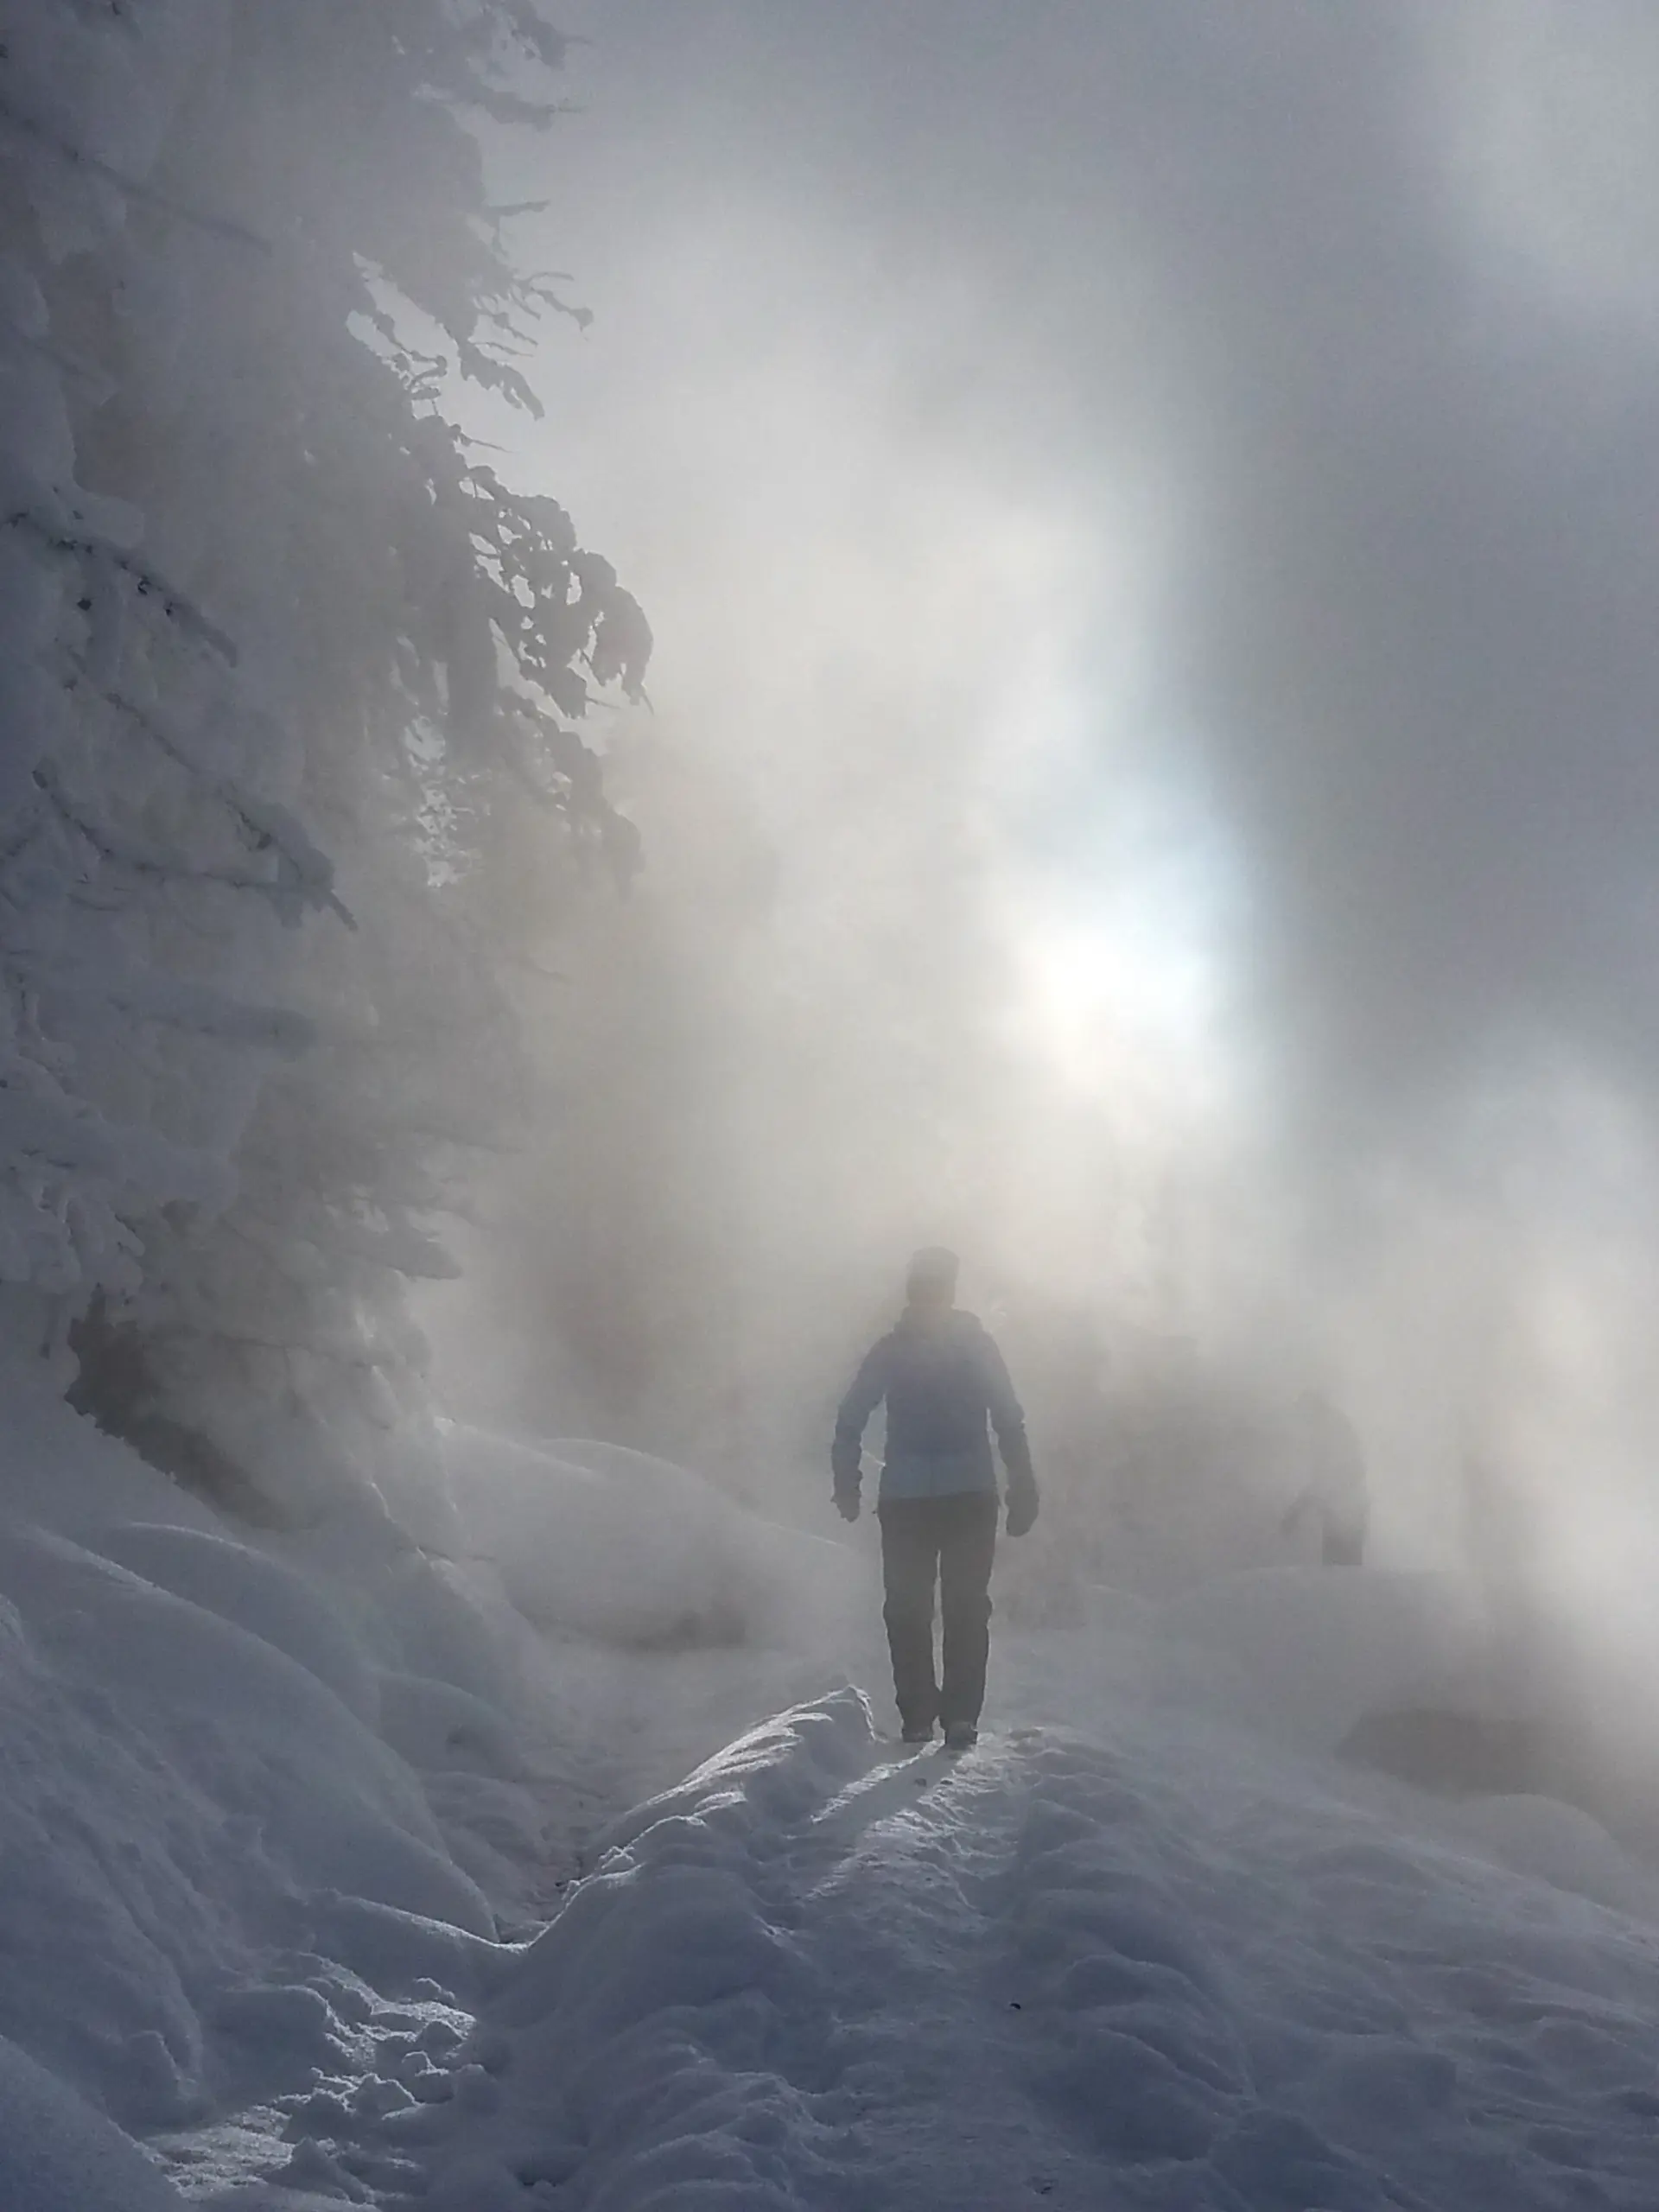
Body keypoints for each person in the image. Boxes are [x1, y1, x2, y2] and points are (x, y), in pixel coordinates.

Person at [832, 1247, 1039, 1749]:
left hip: (915, 1499)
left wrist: (848, 1481)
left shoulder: (895, 1350)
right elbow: (1008, 1416)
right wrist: (1022, 1482)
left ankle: (930, 1716)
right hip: (963, 1495)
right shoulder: (972, 1346)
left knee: (913, 1608)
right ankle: (947, 1717)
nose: (928, 1299)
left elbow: (851, 1418)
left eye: (931, 1289)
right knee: (955, 1607)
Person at [1279, 1388, 1369, 1567]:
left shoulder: (1329, 1430)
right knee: (1343, 1567)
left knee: (1339, 1568)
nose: (1303, 1423)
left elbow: (1326, 1477)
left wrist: (1297, 1510)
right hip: (1345, 1508)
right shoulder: (1331, 1427)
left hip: (1345, 1510)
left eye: (1305, 1415)